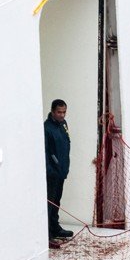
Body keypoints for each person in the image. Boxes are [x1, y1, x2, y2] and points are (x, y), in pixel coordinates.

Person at [44, 99, 73, 240]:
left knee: (57, 202)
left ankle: (55, 227)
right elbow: (46, 151)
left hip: (61, 172)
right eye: (59, 112)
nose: (62, 115)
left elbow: (66, 145)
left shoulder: (63, 125)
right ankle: (47, 233)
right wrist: (50, 170)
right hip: (52, 174)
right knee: (49, 203)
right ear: (52, 111)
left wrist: (65, 167)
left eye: (64, 112)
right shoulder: (46, 128)